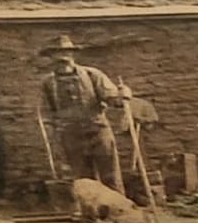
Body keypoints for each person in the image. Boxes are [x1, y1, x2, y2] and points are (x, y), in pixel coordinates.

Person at [38, 35, 129, 195]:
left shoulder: (92, 75)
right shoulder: (48, 82)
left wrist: (122, 96)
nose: (62, 57)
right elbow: (46, 110)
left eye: (66, 52)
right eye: (57, 53)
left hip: (97, 129)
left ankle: (117, 210)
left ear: (73, 54)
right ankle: (91, 213)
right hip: (71, 134)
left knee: (110, 174)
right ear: (51, 57)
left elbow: (112, 98)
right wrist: (52, 129)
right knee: (82, 179)